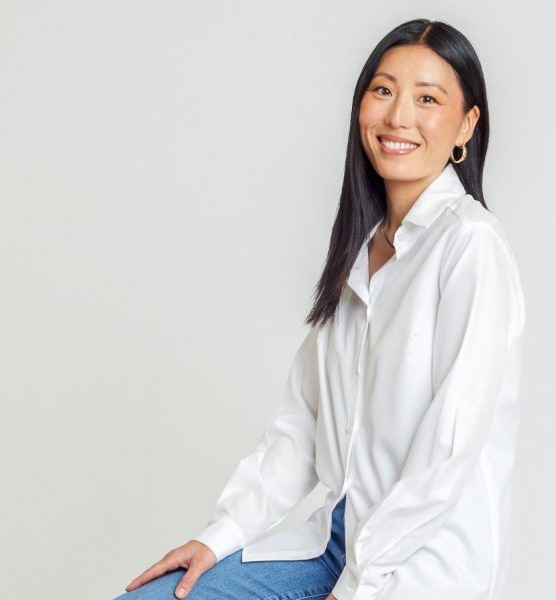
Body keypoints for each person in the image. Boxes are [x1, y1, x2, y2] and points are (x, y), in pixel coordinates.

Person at [116, 17, 525, 600]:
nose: (398, 116)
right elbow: (299, 430)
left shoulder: (471, 246)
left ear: (466, 124)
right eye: (383, 90)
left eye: (427, 99)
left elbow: (448, 451)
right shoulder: (361, 254)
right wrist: (218, 537)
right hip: (337, 540)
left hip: (424, 564)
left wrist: (358, 583)